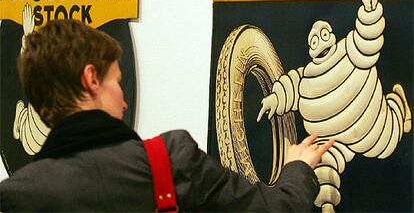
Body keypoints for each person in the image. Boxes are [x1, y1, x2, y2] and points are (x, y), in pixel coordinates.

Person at [0, 19, 334, 212]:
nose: (125, 102)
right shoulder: (170, 162)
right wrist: (298, 169)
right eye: (117, 82)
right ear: (91, 79)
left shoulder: (16, 196)